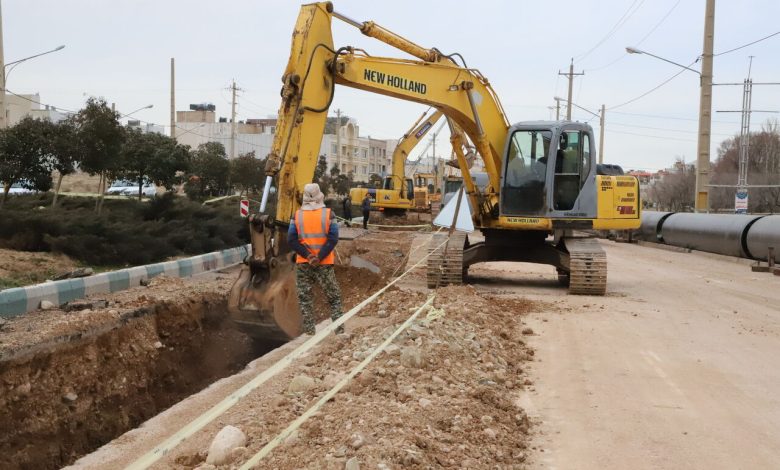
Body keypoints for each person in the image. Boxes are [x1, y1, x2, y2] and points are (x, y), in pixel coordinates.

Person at [287, 183, 344, 335]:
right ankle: (339, 332)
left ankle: (309, 334)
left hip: (304, 264)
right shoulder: (329, 214)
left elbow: (291, 240)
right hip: (324, 263)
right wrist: (319, 257)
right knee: (334, 297)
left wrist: (309, 256)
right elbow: (333, 239)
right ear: (320, 196)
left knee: (305, 299)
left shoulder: (296, 215)